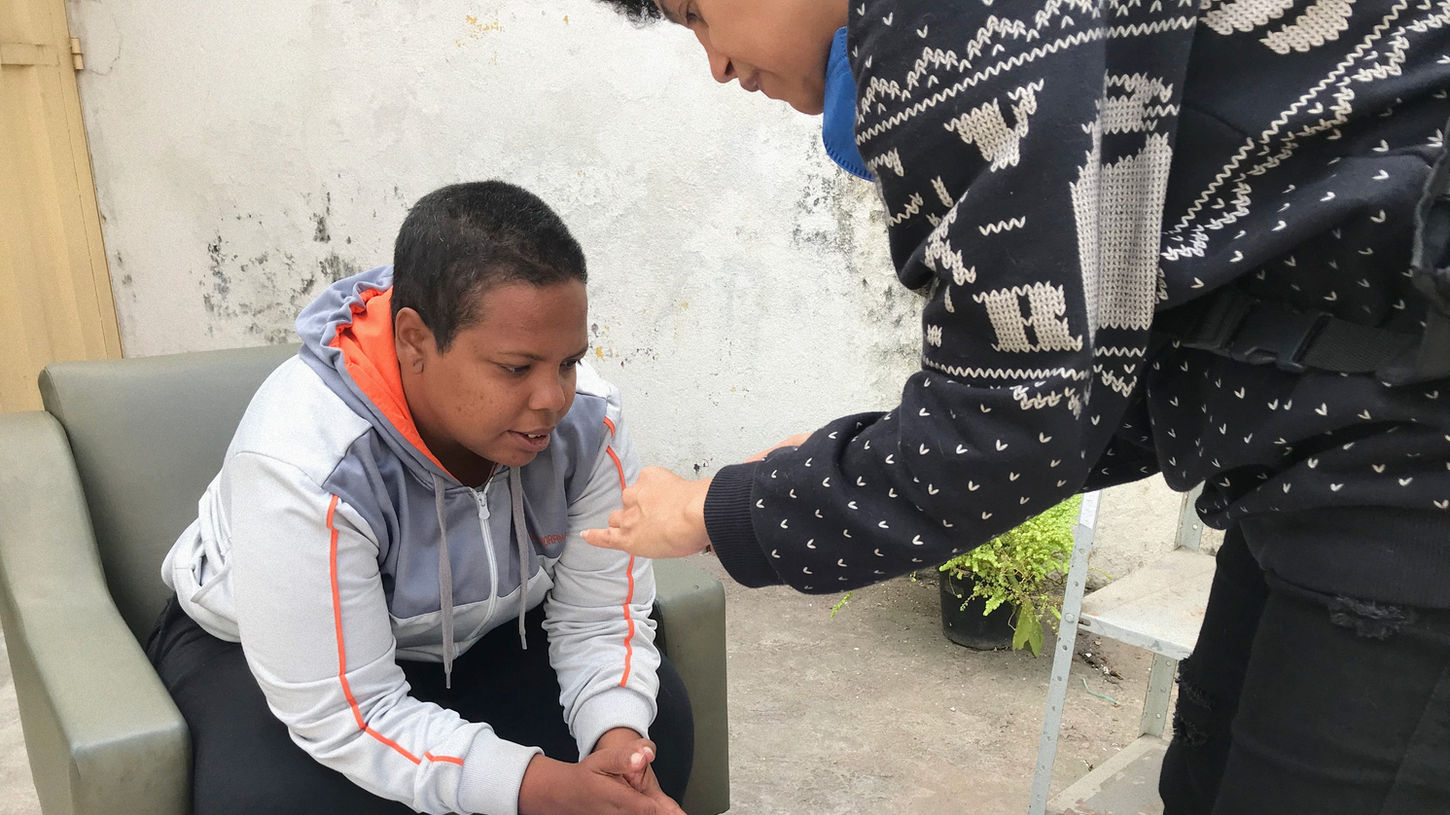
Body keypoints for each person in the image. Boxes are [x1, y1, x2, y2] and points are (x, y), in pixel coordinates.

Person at [580, 1, 1450, 813]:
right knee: (1204, 775)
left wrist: (718, 507)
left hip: (1406, 466)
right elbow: (1089, 382)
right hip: (1315, 445)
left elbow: (1010, 427)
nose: (716, 64)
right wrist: (862, 455)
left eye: (696, 13)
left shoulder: (949, 19)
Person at [147, 180, 692, 815]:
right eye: (516, 368)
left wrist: (618, 746)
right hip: (274, 658)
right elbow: (347, 713)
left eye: (568, 362)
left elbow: (598, 618)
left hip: (485, 633)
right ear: (413, 340)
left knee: (657, 732)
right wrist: (542, 789)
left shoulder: (588, 424)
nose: (552, 400)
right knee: (282, 802)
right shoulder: (307, 463)